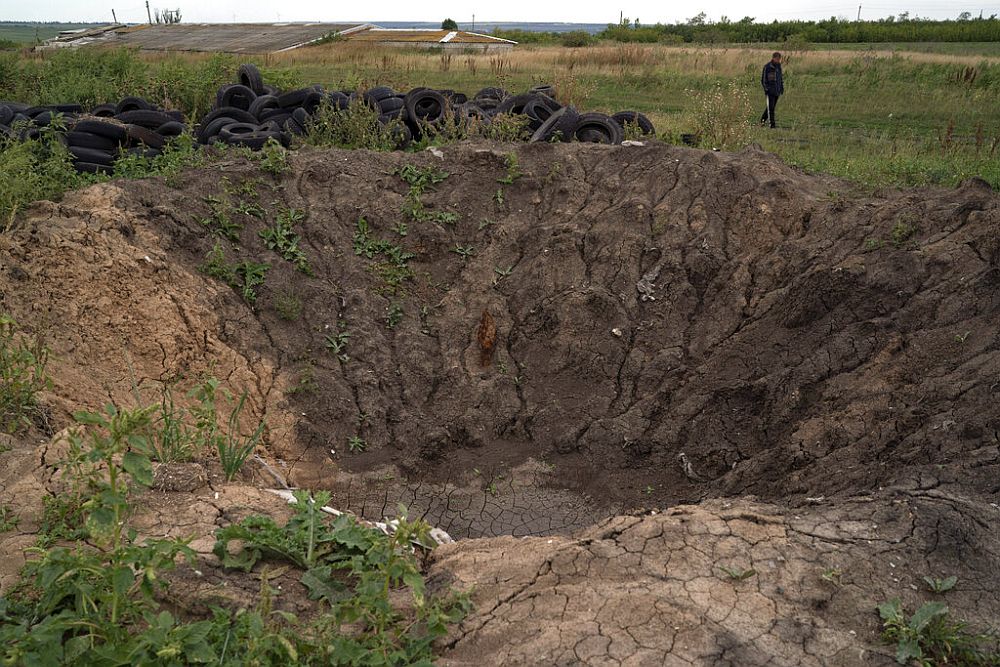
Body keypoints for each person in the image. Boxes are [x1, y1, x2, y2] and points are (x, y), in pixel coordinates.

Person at [760, 52, 784, 129]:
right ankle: (772, 125)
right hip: (770, 91)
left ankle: (762, 121)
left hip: (777, 90)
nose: (778, 60)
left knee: (770, 107)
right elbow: (763, 80)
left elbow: (780, 78)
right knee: (771, 108)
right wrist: (766, 89)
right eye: (777, 59)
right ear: (773, 58)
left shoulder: (779, 66)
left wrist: (781, 87)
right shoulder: (767, 67)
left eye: (779, 59)